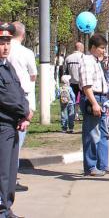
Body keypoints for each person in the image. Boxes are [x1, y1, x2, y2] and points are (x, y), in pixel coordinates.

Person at [0, 22, 32, 218]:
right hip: (2, 125)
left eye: (7, 43)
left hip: (12, 125)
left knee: (11, 172)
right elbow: (5, 97)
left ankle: (6, 207)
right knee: (2, 171)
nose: (5, 47)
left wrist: (24, 112)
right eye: (2, 43)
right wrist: (24, 111)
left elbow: (19, 91)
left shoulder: (7, 66)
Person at [7, 21, 37, 193]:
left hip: (6, 99)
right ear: (23, 35)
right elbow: (33, 76)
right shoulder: (26, 52)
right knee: (16, 143)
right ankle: (11, 179)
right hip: (21, 101)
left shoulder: (6, 50)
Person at [79, 33, 109, 177]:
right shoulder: (87, 61)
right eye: (101, 48)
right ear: (93, 47)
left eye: (104, 48)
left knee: (103, 134)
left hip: (101, 98)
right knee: (92, 134)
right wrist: (94, 103)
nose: (103, 51)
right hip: (93, 99)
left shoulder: (96, 61)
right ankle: (91, 166)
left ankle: (102, 164)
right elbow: (87, 86)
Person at [63, 42, 85, 120]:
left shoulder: (68, 58)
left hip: (71, 82)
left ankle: (73, 115)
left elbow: (65, 71)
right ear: (81, 48)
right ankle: (83, 114)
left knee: (72, 99)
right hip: (82, 82)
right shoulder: (83, 57)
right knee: (83, 99)